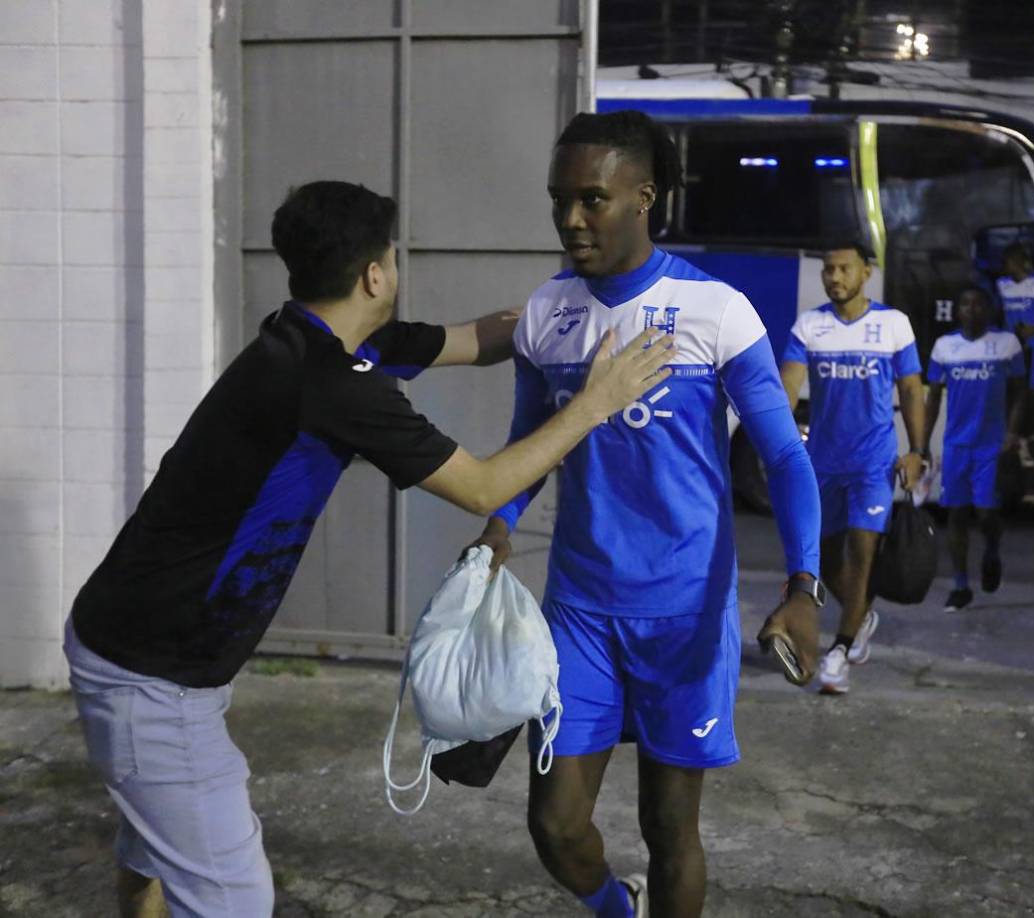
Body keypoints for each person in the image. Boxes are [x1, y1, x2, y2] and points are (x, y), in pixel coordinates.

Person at [63, 180, 674, 918]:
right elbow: (482, 488)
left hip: (134, 643)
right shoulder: (331, 382)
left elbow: (477, 338)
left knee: (156, 847)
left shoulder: (318, 339)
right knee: (232, 898)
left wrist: (568, 310)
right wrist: (595, 402)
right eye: (392, 252)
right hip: (150, 677)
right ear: (375, 275)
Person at [465, 111, 823, 918]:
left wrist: (805, 584)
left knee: (671, 830)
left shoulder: (715, 310)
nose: (570, 220)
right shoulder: (547, 313)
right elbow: (531, 442)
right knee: (555, 825)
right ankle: (613, 909)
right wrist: (497, 522)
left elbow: (785, 458)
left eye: (591, 200)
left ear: (643, 196)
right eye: (559, 200)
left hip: (684, 616)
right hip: (580, 614)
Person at [779, 244, 927, 695]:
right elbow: (787, 388)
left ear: (866, 272)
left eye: (844, 268)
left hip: (873, 463)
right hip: (822, 462)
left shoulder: (893, 325)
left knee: (862, 555)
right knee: (820, 559)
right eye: (828, 269)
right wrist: (780, 449)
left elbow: (911, 389)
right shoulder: (810, 326)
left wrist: (917, 451)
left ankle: (838, 652)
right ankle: (861, 619)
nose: (834, 276)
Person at [924, 286, 1026, 612]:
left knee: (985, 513)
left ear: (988, 310)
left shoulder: (1007, 345)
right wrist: (921, 443)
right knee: (956, 513)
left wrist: (1012, 431)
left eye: (979, 304)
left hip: (991, 445)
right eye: (966, 304)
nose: (972, 309)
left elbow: (1021, 392)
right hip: (956, 445)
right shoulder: (944, 348)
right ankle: (960, 585)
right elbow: (933, 397)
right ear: (957, 312)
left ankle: (992, 549)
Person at [996, 242, 1034, 395]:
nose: (1007, 265)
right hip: (1009, 345)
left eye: (1010, 261)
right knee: (1011, 388)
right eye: (1006, 261)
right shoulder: (1001, 284)